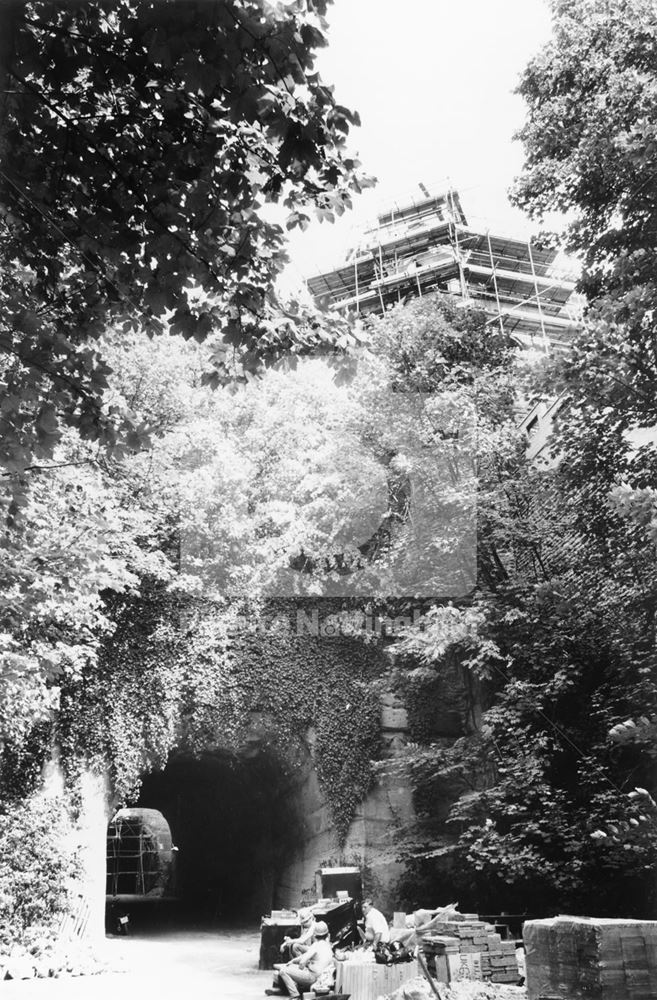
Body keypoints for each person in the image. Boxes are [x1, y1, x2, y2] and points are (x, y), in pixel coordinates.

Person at [274, 921, 334, 1000]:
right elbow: (306, 955)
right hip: (323, 977)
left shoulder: (316, 945)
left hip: (313, 977)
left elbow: (302, 962)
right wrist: (293, 961)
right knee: (291, 967)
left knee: (283, 971)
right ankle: (296, 988)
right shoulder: (328, 945)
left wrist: (301, 966)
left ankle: (295, 996)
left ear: (315, 935)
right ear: (327, 934)